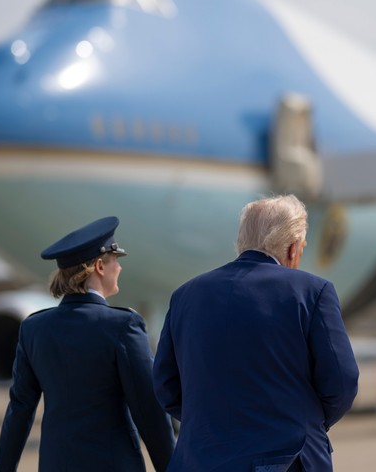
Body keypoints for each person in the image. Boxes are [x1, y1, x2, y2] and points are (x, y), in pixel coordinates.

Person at [153, 195, 359, 472]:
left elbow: (166, 387)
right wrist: (307, 421)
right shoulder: (312, 291)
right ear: (291, 247)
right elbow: (343, 382)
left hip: (199, 461)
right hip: (285, 461)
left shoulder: (185, 296)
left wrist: (214, 423)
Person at [0, 216, 174, 472]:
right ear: (100, 266)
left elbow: (19, 411)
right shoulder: (123, 325)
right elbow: (149, 412)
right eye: (116, 261)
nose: (119, 268)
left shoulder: (34, 328)